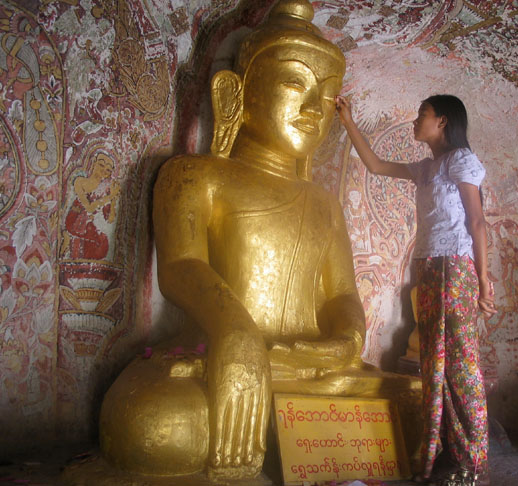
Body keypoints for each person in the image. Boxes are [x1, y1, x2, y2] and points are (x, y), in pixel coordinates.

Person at [98, 0, 419, 481]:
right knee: (158, 422)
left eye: (327, 95)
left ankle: (298, 435)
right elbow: (182, 268)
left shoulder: (323, 202)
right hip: (220, 354)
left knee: (414, 403)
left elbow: (341, 294)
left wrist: (346, 339)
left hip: (304, 367)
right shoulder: (193, 175)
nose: (314, 109)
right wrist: (236, 333)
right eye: (294, 82)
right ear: (235, 94)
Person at [336, 94, 496, 484]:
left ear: (442, 121)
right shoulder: (426, 167)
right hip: (426, 267)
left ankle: (472, 462)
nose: (415, 120)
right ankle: (444, 454)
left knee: (460, 365)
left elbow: (477, 222)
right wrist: (347, 121)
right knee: (434, 364)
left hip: (456, 267)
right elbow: (374, 166)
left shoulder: (460, 160)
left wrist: (483, 279)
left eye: (421, 114)